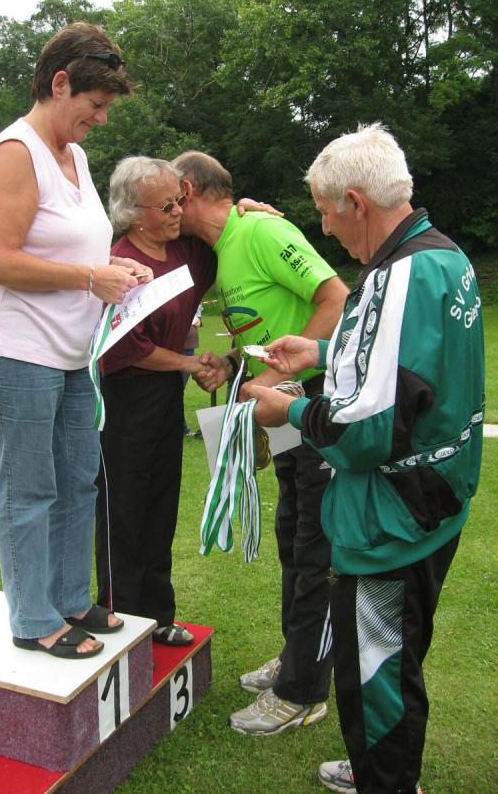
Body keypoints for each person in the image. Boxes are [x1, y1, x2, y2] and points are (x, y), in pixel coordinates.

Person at [249, 123, 484, 794]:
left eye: (325, 212)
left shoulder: (399, 275)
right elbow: (411, 368)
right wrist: (323, 353)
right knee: (397, 654)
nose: (324, 228)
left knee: (377, 672)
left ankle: (386, 779)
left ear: (355, 202)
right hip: (435, 501)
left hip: (393, 520)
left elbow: (365, 428)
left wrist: (288, 410)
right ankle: (382, 769)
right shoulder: (443, 255)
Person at [0, 23, 154, 659]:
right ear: (60, 83)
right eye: (95, 104)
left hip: (71, 351)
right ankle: (32, 618)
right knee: (29, 490)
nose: (101, 118)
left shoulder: (76, 156)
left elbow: (75, 247)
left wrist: (114, 269)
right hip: (14, 348)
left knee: (77, 482)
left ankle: (70, 598)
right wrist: (90, 277)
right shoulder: (15, 153)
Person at [172, 151, 348, 734]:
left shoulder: (263, 231)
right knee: (293, 534)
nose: (165, 210)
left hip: (317, 400)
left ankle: (303, 691)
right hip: (284, 406)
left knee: (316, 544)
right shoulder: (225, 248)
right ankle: (299, 653)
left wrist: (274, 378)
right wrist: (232, 364)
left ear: (188, 190)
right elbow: (264, 327)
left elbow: (336, 298)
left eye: (169, 198)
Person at [95, 156, 217, 646]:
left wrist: (246, 209)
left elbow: (225, 231)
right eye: (166, 206)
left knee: (162, 504)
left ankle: (158, 615)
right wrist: (192, 364)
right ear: (134, 213)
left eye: (179, 200)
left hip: (165, 396)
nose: (178, 211)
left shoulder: (187, 251)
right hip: (124, 399)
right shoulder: (121, 263)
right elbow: (128, 349)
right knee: (124, 510)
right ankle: (119, 615)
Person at [181, 305, 203, 437]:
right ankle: (181, 429)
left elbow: (197, 313)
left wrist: (198, 318)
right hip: (179, 345)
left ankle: (181, 428)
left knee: (177, 390)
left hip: (188, 345)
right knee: (176, 390)